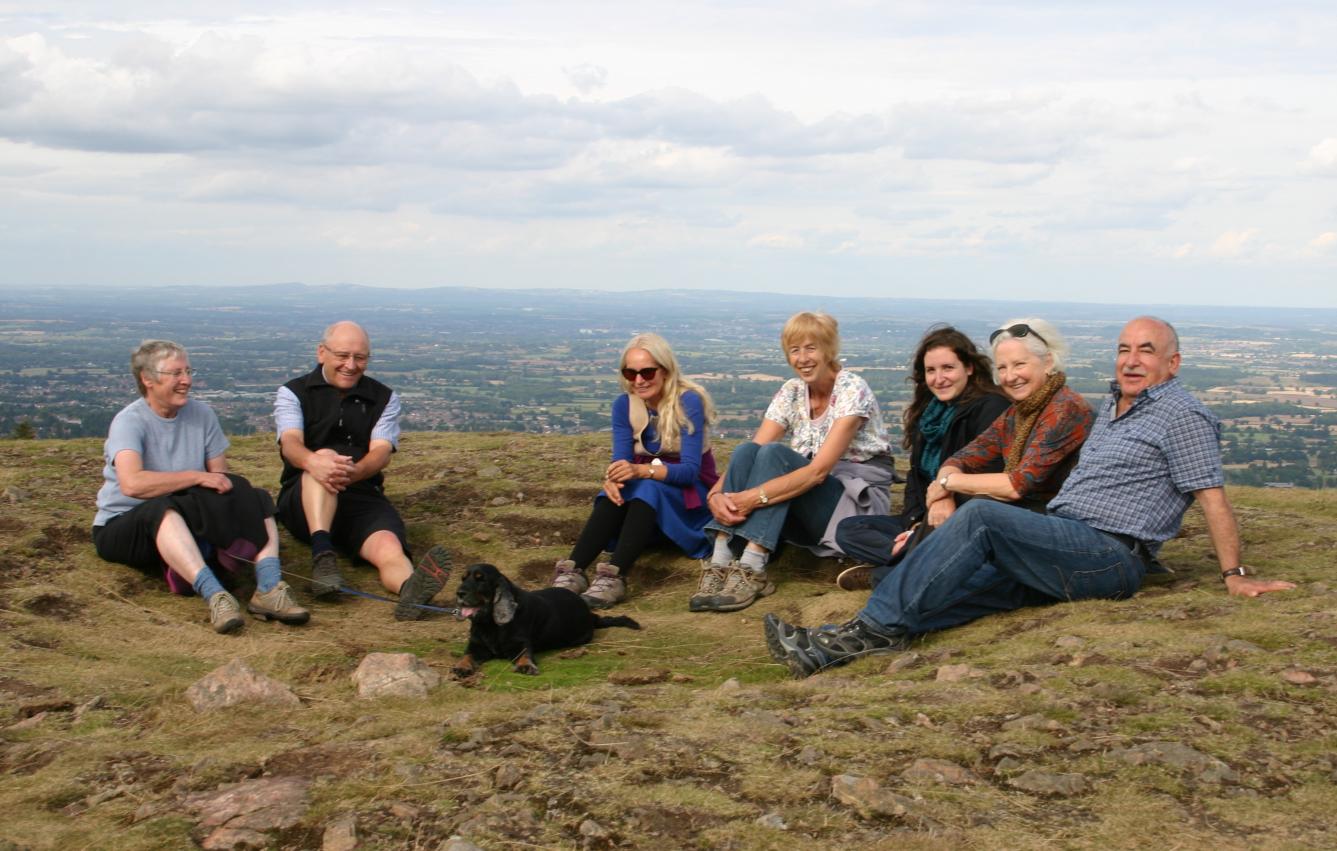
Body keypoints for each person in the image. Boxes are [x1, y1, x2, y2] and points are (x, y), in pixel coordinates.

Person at [766, 316, 1297, 678]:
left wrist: (1235, 577)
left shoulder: (1182, 415)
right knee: (967, 586)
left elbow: (1212, 497)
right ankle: (838, 645)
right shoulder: (1114, 410)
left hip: (1110, 552)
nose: (1132, 361)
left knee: (983, 519)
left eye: (1147, 351)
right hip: (1067, 544)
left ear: (1173, 363)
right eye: (1124, 350)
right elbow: (972, 459)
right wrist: (942, 490)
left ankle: (870, 626)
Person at [93, 340, 308, 634]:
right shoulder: (129, 422)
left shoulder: (202, 414)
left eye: (188, 371)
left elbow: (219, 480)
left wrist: (216, 489)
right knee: (162, 510)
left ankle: (269, 587)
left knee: (255, 496)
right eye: (175, 373)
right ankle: (215, 595)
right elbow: (132, 484)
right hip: (124, 526)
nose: (186, 381)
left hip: (188, 514)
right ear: (147, 379)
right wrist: (195, 476)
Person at [696, 312, 894, 613]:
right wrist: (715, 495)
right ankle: (720, 559)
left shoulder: (852, 389)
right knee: (747, 451)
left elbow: (817, 472)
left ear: (829, 349)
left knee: (776, 455)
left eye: (811, 348)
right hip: (804, 500)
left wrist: (751, 498)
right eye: (794, 349)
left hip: (852, 506)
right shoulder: (792, 391)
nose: (802, 358)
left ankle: (753, 567)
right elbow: (757, 446)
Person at [275, 321, 449, 621]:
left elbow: (381, 453)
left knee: (389, 547)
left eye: (360, 357)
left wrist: (352, 474)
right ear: (321, 353)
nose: (351, 365)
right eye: (342, 355)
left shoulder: (383, 398)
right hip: (303, 496)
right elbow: (290, 443)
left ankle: (410, 591)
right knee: (326, 459)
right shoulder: (293, 393)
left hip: (360, 492)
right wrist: (315, 462)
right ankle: (322, 555)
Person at [834, 325, 1010, 591]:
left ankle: (887, 575)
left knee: (929, 537)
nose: (939, 378)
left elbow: (987, 476)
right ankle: (913, 558)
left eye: (948, 368)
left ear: (969, 368)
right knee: (850, 529)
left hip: (962, 516)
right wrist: (915, 522)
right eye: (931, 370)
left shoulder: (991, 407)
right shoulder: (927, 414)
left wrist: (944, 499)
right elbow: (916, 480)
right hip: (924, 520)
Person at [552, 334, 719, 608]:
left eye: (647, 372)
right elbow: (621, 462)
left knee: (644, 484)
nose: (638, 380)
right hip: (646, 494)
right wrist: (613, 479)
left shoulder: (688, 401)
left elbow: (690, 472)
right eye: (631, 372)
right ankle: (574, 567)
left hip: (691, 497)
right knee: (624, 486)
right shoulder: (624, 406)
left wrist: (639, 472)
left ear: (665, 371)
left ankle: (614, 574)